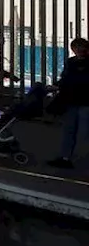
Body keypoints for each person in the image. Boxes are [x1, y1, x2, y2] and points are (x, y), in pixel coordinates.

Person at [48, 38, 89, 168]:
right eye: (77, 47)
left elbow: (67, 79)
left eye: (80, 47)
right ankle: (67, 158)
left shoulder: (72, 62)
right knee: (74, 130)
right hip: (77, 100)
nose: (79, 50)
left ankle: (68, 157)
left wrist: (59, 86)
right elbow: (66, 78)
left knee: (75, 130)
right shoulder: (71, 62)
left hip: (79, 100)